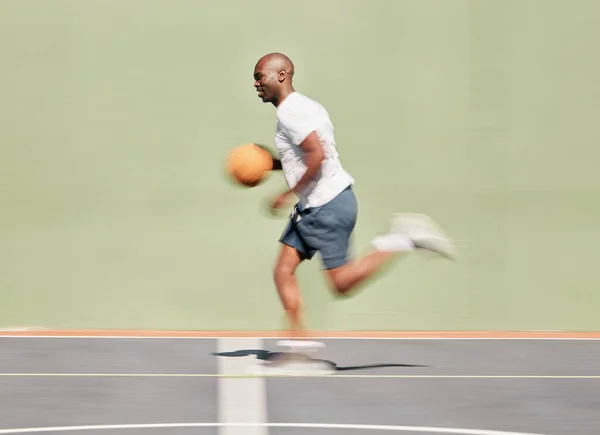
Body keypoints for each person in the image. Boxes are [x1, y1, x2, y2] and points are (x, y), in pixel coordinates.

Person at [253, 52, 455, 342]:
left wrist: (286, 194)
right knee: (283, 271)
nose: (256, 83)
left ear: (281, 75)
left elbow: (317, 156)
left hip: (326, 207)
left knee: (341, 283)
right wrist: (269, 163)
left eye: (260, 76)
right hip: (316, 205)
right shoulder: (305, 106)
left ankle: (403, 237)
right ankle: (297, 345)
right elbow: (305, 155)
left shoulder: (289, 113)